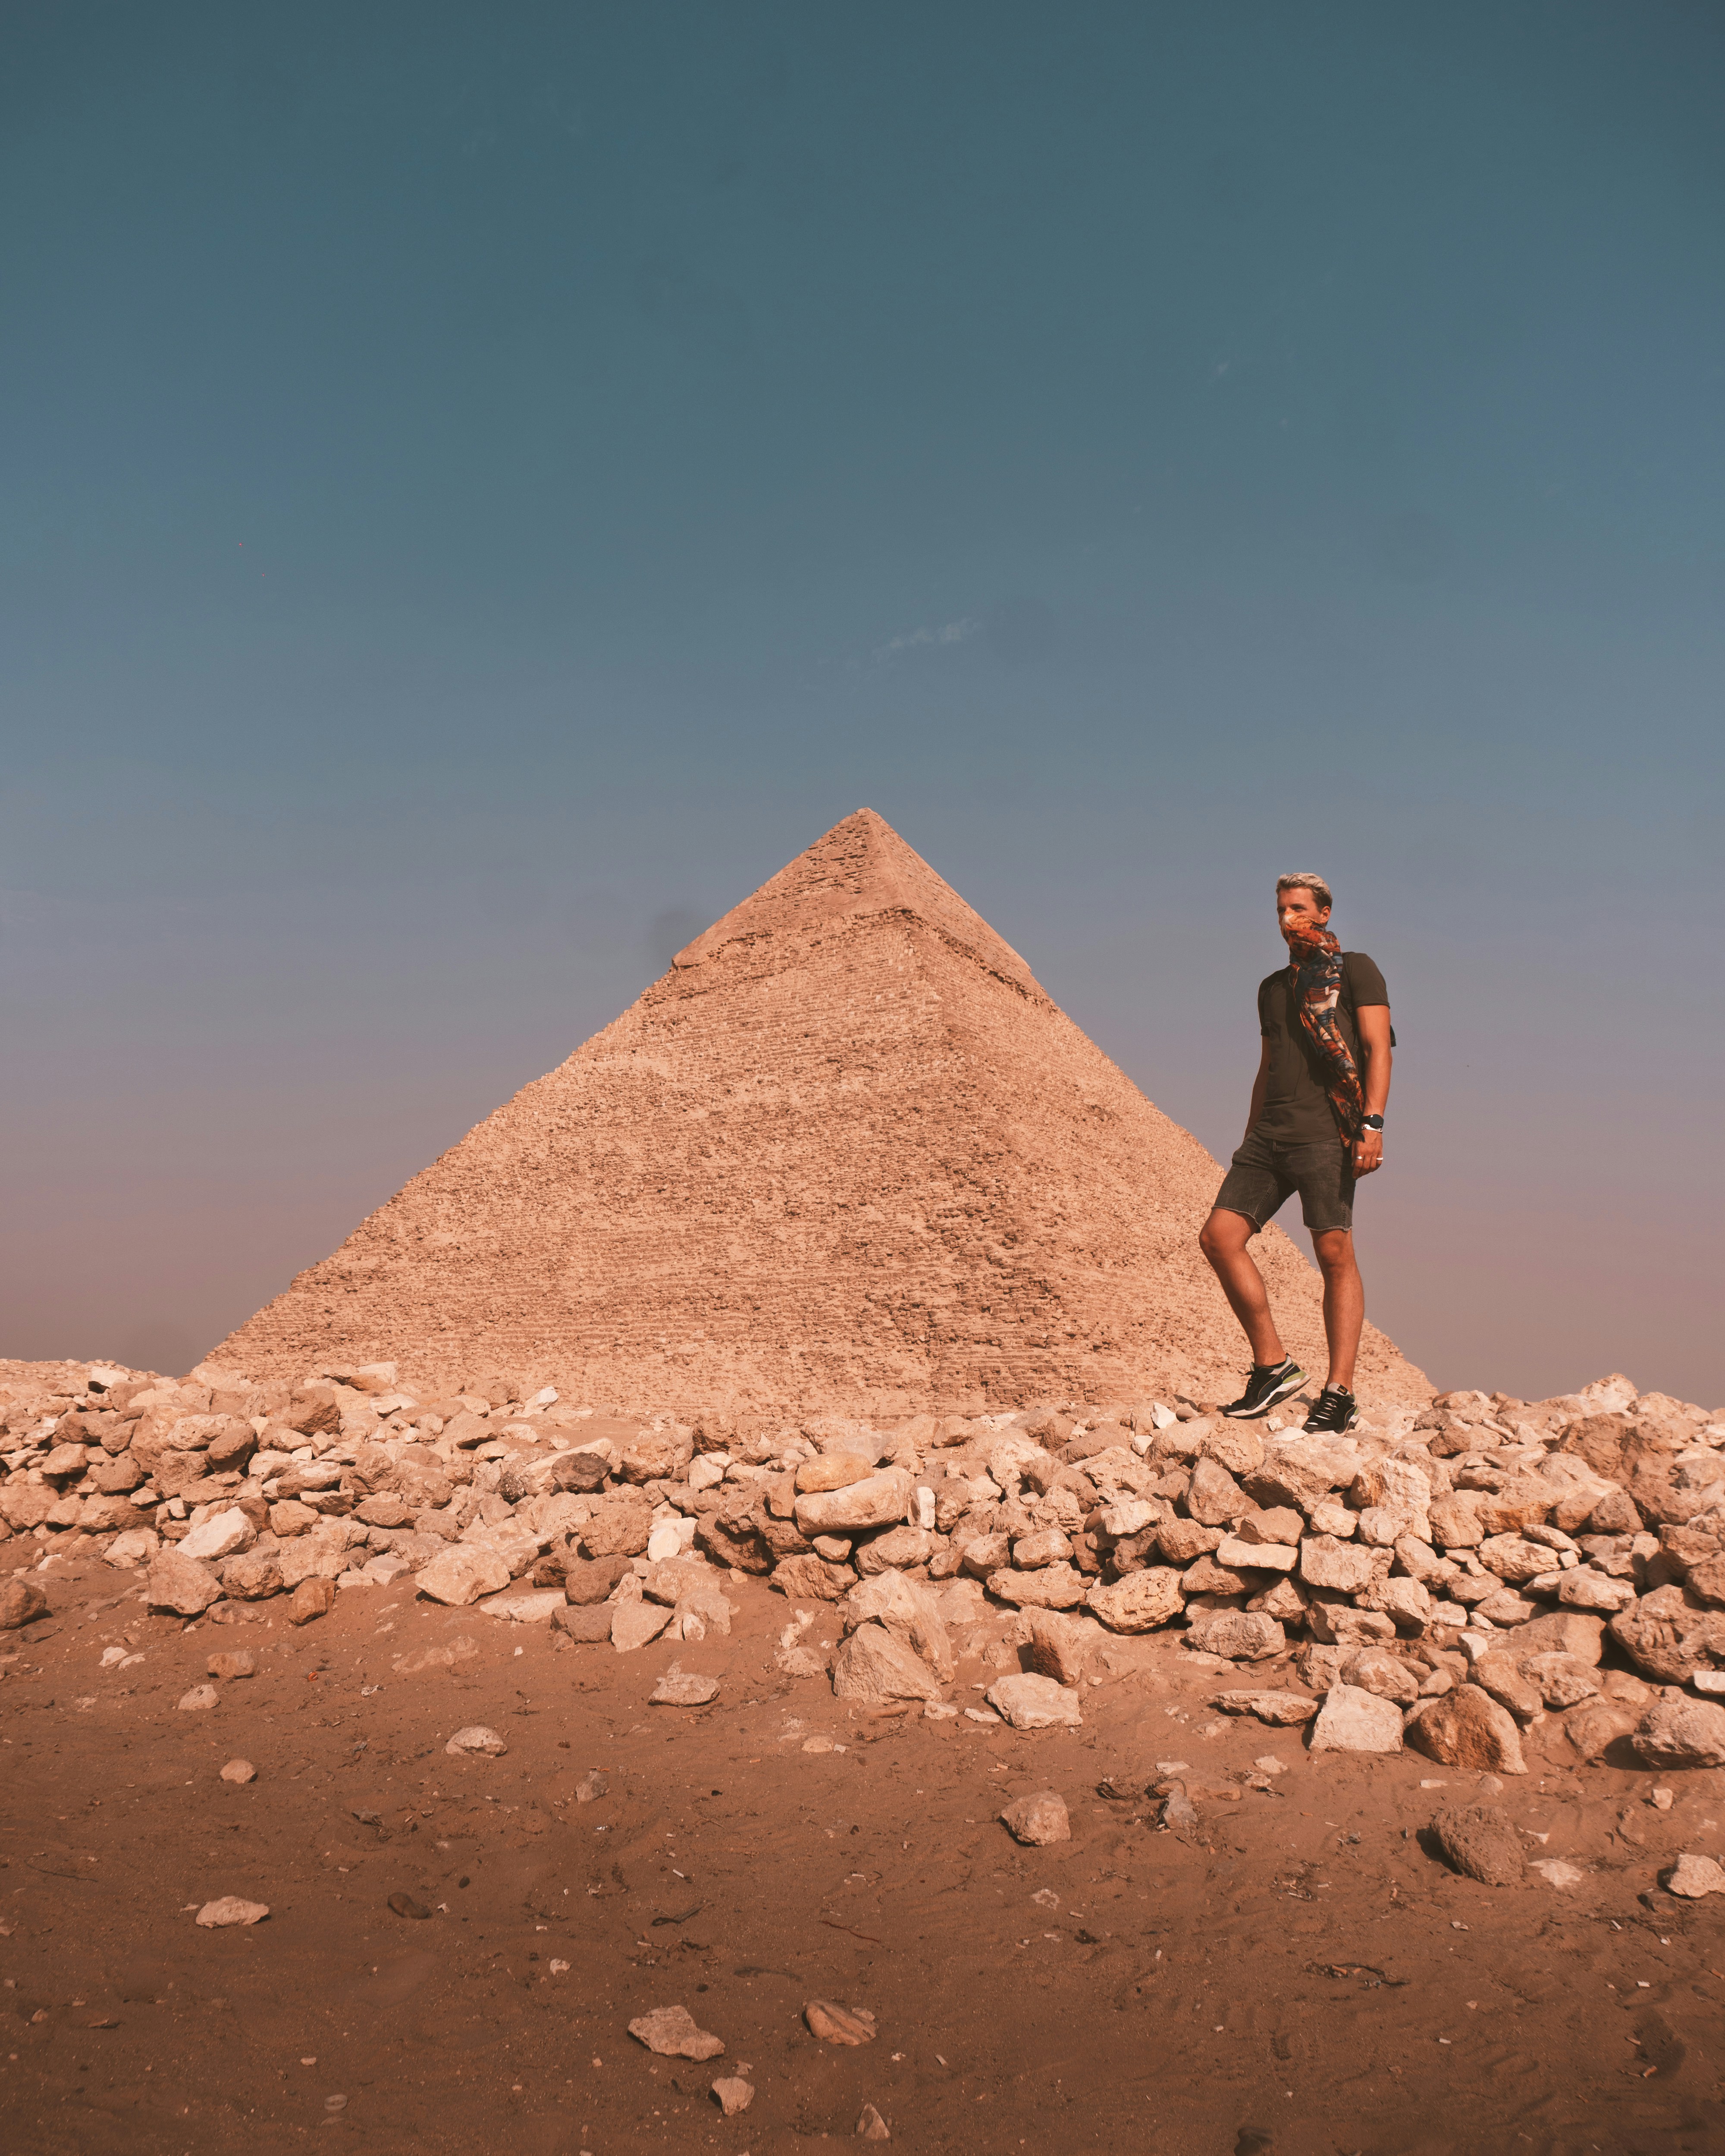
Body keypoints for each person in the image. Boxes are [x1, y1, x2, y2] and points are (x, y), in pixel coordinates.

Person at [1198, 873, 1393, 1434]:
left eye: (1299, 909)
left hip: (1327, 1133)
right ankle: (1273, 1366)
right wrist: (1249, 1135)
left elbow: (1379, 1047)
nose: (1289, 919)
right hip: (1269, 1139)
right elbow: (1267, 1066)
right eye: (1282, 909)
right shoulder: (1271, 989)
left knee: (1334, 1254)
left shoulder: (1356, 970)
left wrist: (1373, 1123)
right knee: (1219, 1238)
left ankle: (1340, 1392)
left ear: (1324, 914)